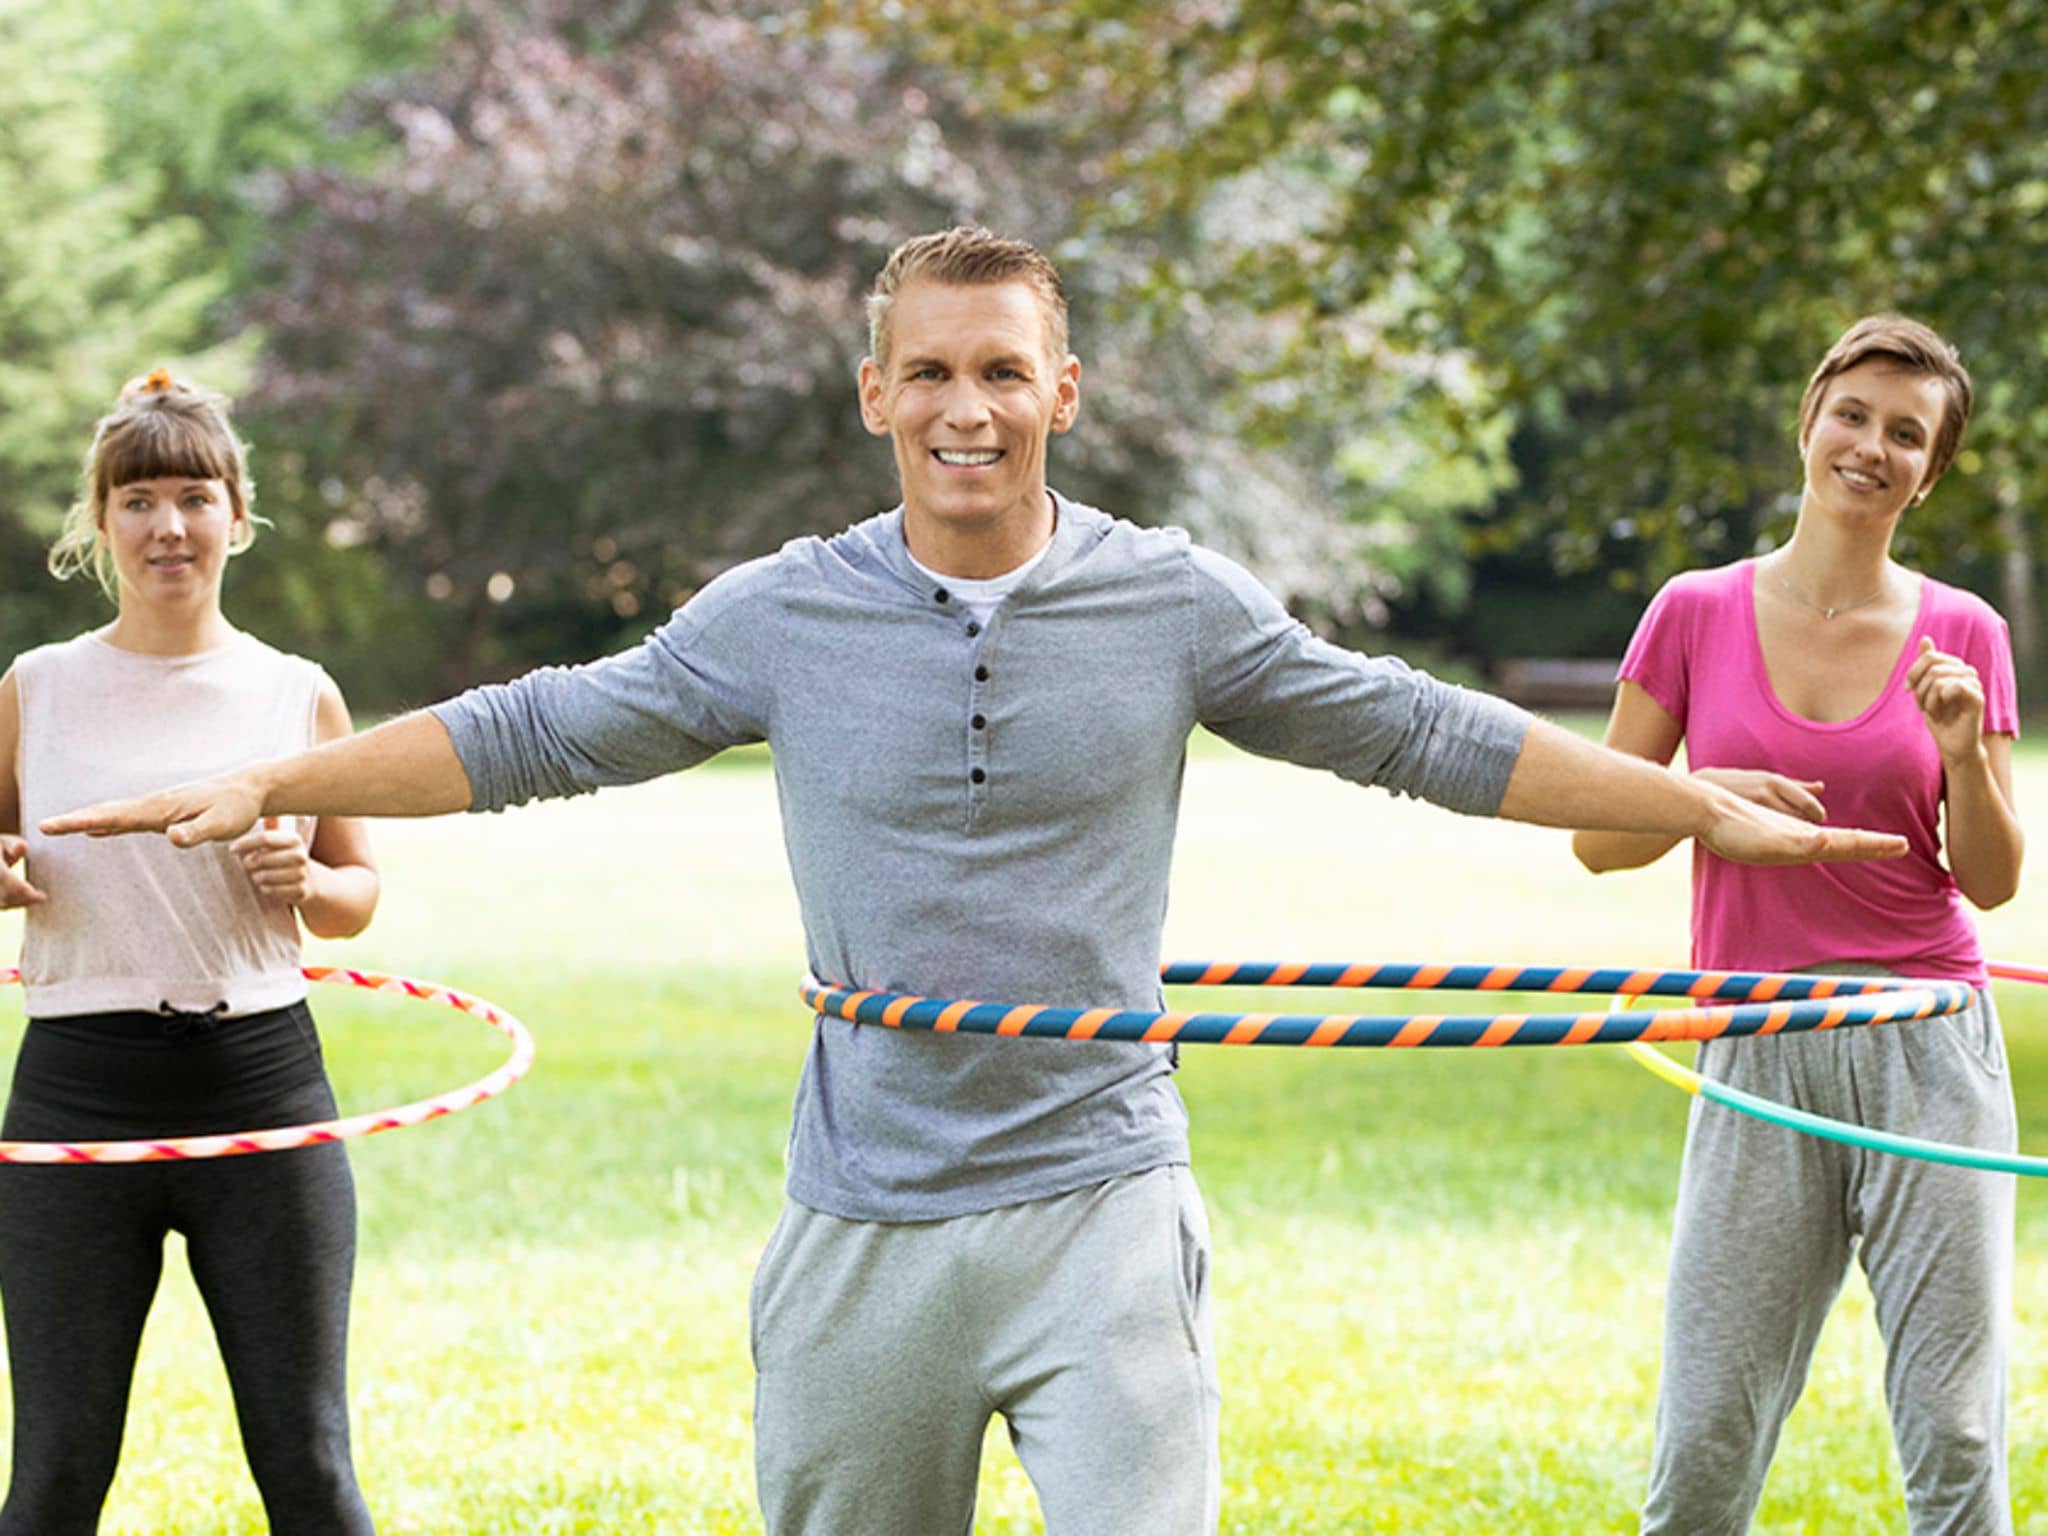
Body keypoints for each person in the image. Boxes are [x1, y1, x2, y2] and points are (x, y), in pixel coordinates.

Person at [45, 232, 1908, 1536]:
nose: (964, 406)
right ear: (874, 392)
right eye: (926, 370)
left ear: (1061, 391)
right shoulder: (786, 612)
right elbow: (540, 729)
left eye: (999, 370)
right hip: (866, 1207)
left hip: (1099, 1187)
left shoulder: (1167, 600)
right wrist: (279, 775)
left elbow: (1407, 728)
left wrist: (1680, 803)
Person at [1573, 315, 2022, 1535]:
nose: (1870, 447)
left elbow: (1988, 883)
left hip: (1924, 1036)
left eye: (1905, 435)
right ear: (1809, 420)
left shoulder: (1962, 633)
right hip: (1757, 1036)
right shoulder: (1692, 611)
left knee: (1953, 1422)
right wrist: (1702, 806)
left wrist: (1959, 757)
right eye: (1854, 415)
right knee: (1711, 1420)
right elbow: (1599, 837)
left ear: (1928, 473)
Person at [0, 371, 381, 1534]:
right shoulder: (37, 688)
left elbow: (356, 894)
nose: (169, 525)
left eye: (195, 496)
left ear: (238, 516)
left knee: (309, 1466)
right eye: (139, 500)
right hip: (75, 1089)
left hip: (260, 1085)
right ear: (101, 522)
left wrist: (306, 881)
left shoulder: (293, 693)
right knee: (56, 1472)